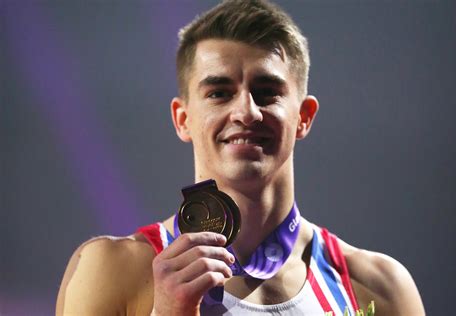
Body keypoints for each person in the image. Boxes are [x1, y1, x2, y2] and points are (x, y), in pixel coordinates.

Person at [56, 1, 425, 315]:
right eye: (219, 93)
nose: (246, 112)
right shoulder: (112, 271)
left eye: (267, 92)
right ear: (183, 119)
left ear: (304, 117)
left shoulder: (380, 288)